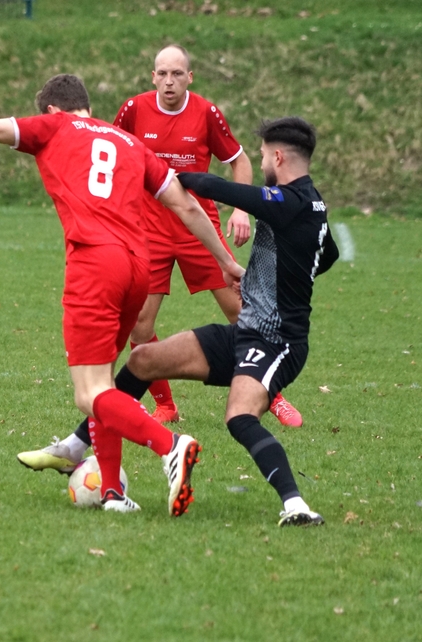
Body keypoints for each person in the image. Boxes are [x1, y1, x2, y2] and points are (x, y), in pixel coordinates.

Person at [0, 74, 244, 515]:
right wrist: (226, 262)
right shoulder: (130, 143)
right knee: (106, 385)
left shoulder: (54, 126)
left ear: (53, 110)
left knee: (88, 393)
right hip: (138, 267)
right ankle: (113, 492)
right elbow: (187, 205)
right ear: (88, 107)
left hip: (95, 263)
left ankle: (170, 445)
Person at [17, 45, 299, 476]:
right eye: (162, 73)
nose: (169, 81)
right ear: (153, 76)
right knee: (140, 326)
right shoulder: (133, 110)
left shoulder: (206, 113)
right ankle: (164, 404)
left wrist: (241, 210)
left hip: (194, 226)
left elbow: (239, 160)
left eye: (177, 73)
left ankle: (269, 391)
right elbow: (104, 153)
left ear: (189, 77)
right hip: (146, 231)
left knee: (240, 309)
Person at [115, 116, 338, 526]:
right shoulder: (311, 201)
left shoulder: (288, 201)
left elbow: (216, 187)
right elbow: (329, 255)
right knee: (143, 359)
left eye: (262, 155)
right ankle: (75, 446)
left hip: (277, 342)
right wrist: (267, 279)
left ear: (278, 157)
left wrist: (161, 175)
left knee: (239, 416)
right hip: (245, 332)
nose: (261, 162)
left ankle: (297, 506)